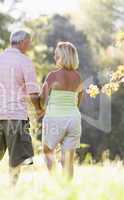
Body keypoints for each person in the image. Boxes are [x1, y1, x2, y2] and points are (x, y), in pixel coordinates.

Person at [0, 30, 42, 185]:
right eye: (29, 43)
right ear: (23, 42)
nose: (29, 46)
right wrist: (38, 109)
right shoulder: (24, 61)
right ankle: (11, 188)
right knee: (17, 155)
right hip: (16, 115)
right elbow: (34, 92)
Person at [40, 42, 83, 179]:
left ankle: (54, 181)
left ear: (62, 56)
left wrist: (39, 106)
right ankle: (67, 190)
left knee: (47, 150)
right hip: (74, 119)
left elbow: (42, 98)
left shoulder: (53, 75)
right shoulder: (78, 77)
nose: (54, 56)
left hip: (55, 117)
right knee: (68, 160)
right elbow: (80, 98)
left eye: (56, 54)